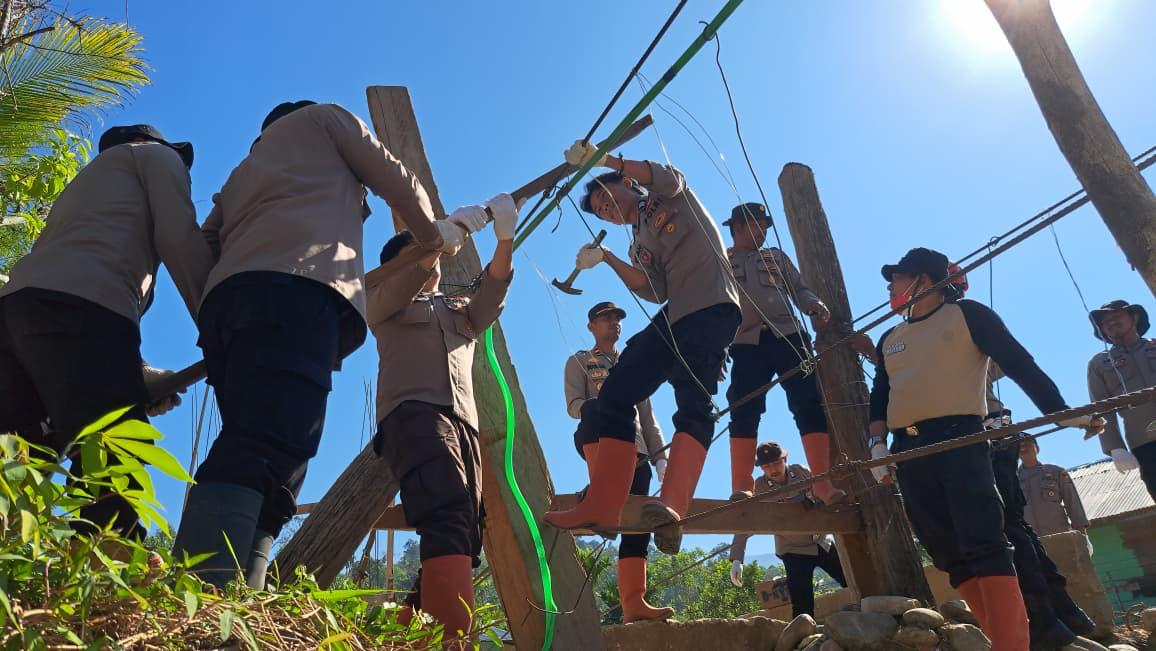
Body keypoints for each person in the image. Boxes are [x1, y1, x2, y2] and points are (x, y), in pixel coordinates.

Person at [173, 101, 465, 589]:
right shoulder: (326, 119)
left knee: (271, 445)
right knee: (271, 444)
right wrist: (434, 235)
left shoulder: (243, 172)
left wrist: (219, 302)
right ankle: (201, 593)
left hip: (233, 307)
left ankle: (237, 599)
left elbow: (205, 242)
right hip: (298, 294)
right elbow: (396, 179)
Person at [867, 247, 1103, 651]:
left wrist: (1060, 412)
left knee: (985, 540)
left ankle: (1016, 643)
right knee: (945, 549)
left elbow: (1019, 361)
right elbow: (880, 397)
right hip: (907, 449)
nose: (890, 285)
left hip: (960, 437)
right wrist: (877, 446)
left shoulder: (968, 314)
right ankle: (1005, 639)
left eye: (898, 277)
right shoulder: (890, 338)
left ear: (924, 279)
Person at [0, 124, 211, 537]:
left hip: (16, 311)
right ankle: (108, 563)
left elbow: (75, 328)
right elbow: (178, 236)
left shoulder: (89, 189)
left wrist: (139, 375)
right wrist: (218, 324)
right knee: (114, 452)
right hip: (79, 309)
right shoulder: (155, 156)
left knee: (18, 464)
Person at [543, 142, 741, 555]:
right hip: (676, 312)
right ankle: (603, 504)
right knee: (615, 393)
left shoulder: (668, 195)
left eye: (606, 197)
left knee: (693, 400)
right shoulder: (636, 243)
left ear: (626, 182)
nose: (606, 209)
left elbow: (664, 175)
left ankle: (673, 506)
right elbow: (654, 290)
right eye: (600, 211)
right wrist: (608, 257)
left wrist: (604, 159)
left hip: (711, 305)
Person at [368, 194, 516, 645]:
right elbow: (401, 285)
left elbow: (490, 300)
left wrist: (504, 239)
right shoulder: (382, 299)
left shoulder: (455, 308)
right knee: (447, 509)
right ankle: (452, 640)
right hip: (413, 414)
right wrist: (437, 240)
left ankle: (408, 635)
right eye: (415, 253)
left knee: (465, 533)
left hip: (462, 424)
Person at [722, 203, 844, 505]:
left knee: (808, 403)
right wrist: (716, 347)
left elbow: (799, 288)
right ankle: (742, 485)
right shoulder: (722, 259)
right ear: (738, 227)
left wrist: (813, 304)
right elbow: (715, 305)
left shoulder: (776, 256)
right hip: (746, 342)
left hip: (788, 335)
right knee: (743, 407)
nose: (763, 231)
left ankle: (822, 483)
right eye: (757, 225)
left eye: (765, 226)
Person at [564, 300, 672, 623]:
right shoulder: (581, 361)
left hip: (635, 451)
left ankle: (634, 602)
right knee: (594, 411)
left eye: (617, 318)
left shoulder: (632, 365)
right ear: (591, 326)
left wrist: (661, 458)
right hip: (599, 439)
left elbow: (648, 417)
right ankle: (600, 496)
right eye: (606, 318)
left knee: (637, 525)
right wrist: (596, 407)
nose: (614, 322)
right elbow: (574, 405)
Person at [986, 367, 1096, 648]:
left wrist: (1081, 530)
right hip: (992, 428)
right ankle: (1063, 611)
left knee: (1004, 527)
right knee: (1013, 527)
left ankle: (1046, 617)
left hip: (985, 430)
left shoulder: (1053, 472)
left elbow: (1005, 363)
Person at [728, 441, 847, 619]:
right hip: (793, 550)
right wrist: (737, 559)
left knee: (851, 578)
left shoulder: (801, 472)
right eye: (767, 466)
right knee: (802, 605)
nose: (773, 469)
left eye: (776, 463)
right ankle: (804, 633)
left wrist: (815, 502)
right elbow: (746, 521)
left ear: (785, 460)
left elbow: (824, 493)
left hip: (822, 542)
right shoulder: (758, 488)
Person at [1086, 299, 1156, 500]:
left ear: (1134, 317)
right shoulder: (1099, 364)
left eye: (1116, 316)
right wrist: (1115, 447)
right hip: (1144, 443)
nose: (1110, 323)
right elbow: (1101, 408)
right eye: (1104, 321)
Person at [1017, 441, 1090, 537]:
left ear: (1037, 449)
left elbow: (1072, 502)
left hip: (1060, 535)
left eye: (1027, 445)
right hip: (1031, 540)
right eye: (1019, 447)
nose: (1023, 448)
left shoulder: (1056, 472)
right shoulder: (1012, 480)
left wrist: (1082, 534)